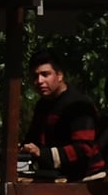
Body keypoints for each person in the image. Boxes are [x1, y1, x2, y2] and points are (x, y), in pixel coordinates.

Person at [19, 50, 102, 181]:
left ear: (60, 75)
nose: (39, 81)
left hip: (88, 181)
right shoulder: (42, 106)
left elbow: (84, 149)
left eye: (45, 74)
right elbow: (33, 140)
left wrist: (42, 154)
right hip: (58, 178)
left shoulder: (78, 105)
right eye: (35, 76)